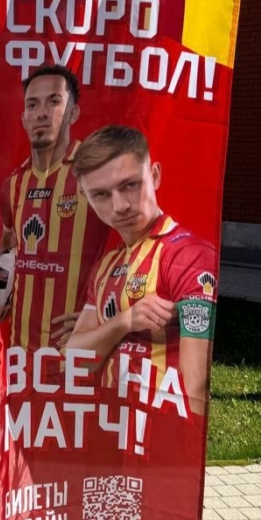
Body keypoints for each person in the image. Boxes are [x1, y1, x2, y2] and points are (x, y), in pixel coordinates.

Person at [68, 125, 216, 415]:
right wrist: (125, 321)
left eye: (130, 185)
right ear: (86, 197)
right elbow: (76, 359)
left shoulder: (189, 255)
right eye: (101, 194)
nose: (120, 206)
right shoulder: (106, 266)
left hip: (162, 430)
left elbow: (196, 390)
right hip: (110, 426)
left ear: (155, 176)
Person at [0, 64, 111, 355]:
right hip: (22, 354)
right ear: (24, 118)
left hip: (80, 353)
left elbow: (140, 247)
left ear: (73, 113)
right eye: (32, 105)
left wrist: (105, 315)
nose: (41, 113)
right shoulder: (13, 185)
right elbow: (7, 246)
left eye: (54, 101)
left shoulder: (98, 172)